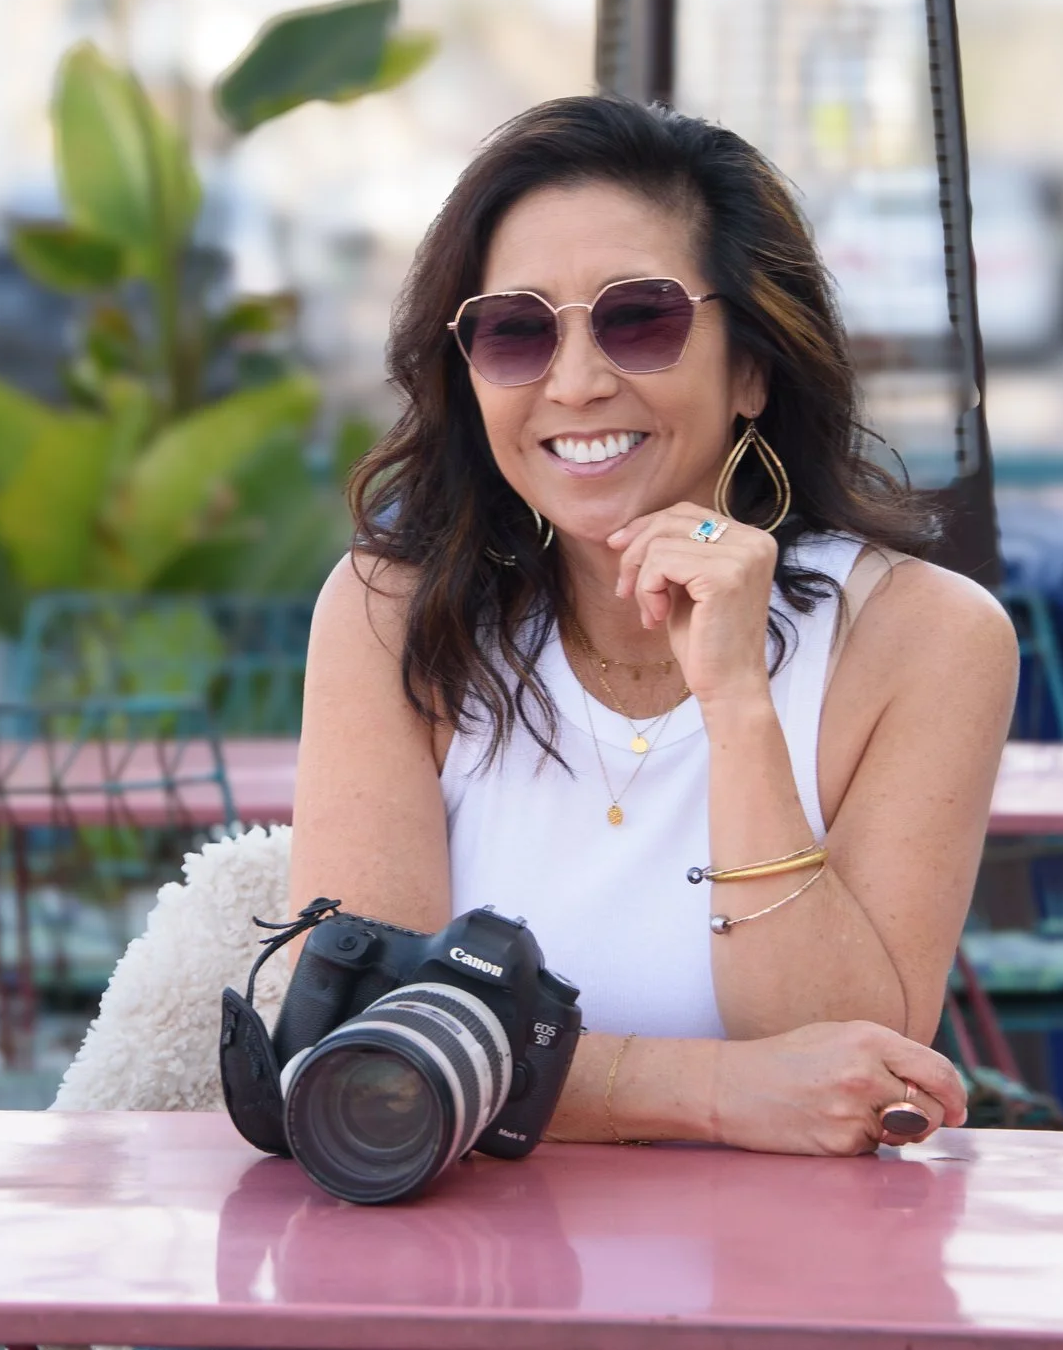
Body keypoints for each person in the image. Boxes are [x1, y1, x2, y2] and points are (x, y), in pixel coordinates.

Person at [289, 95, 1017, 1154]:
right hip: (461, 1278)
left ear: (753, 367)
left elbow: (846, 1068)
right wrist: (717, 1094)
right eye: (515, 329)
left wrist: (737, 707)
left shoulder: (925, 639)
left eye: (639, 318)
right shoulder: (390, 614)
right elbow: (360, 1038)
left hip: (786, 1284)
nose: (576, 381)